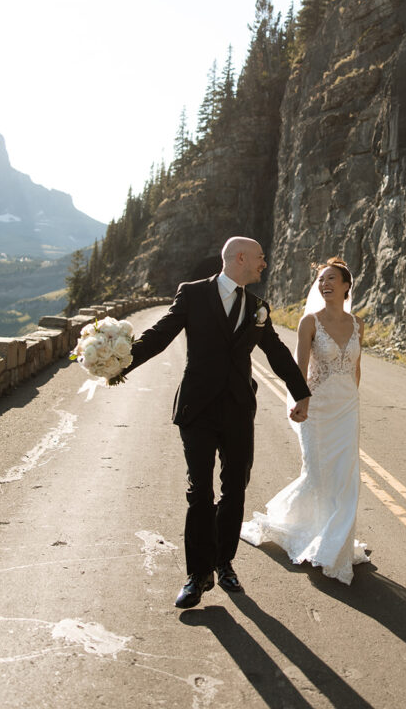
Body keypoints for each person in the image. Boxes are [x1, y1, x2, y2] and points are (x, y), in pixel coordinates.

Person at [119, 236, 311, 608]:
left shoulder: (257, 306)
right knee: (200, 493)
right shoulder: (192, 294)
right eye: (259, 258)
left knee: (235, 489)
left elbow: (276, 352)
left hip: (239, 409)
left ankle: (224, 564)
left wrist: (300, 392)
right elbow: (159, 337)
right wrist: (119, 364)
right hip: (198, 409)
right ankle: (197, 574)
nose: (264, 264)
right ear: (240, 258)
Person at [241, 257, 369, 584]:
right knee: (317, 473)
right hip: (316, 407)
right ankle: (302, 528)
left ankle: (333, 545)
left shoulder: (358, 325)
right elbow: (298, 370)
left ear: (346, 286)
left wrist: (353, 401)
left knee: (345, 477)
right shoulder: (309, 322)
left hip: (346, 409)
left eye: (331, 279)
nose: (324, 284)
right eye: (321, 280)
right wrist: (301, 401)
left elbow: (355, 368)